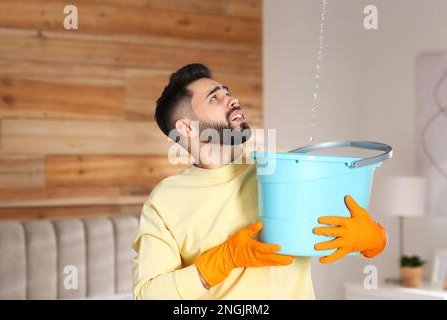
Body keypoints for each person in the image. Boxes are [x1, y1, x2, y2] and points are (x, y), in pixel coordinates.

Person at [132, 63, 388, 299]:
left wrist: (375, 241)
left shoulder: (285, 167)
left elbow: (355, 231)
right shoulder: (166, 202)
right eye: (215, 98)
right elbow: (147, 295)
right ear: (187, 128)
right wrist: (223, 259)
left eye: (226, 92)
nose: (232, 100)